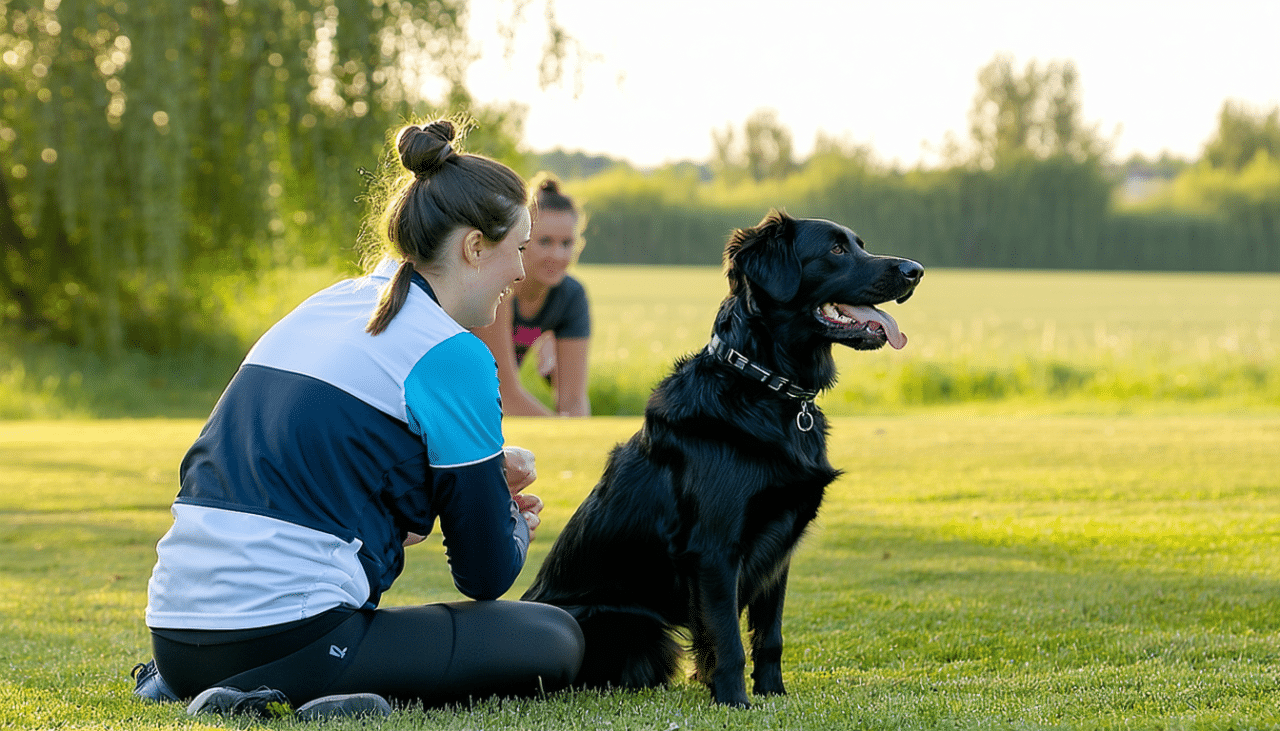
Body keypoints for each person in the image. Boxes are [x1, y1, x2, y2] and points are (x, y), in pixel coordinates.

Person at [131, 120, 584, 720]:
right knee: (555, 638)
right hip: (292, 639)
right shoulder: (452, 353)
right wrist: (512, 521)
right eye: (519, 249)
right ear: (475, 247)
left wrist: (460, 487)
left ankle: (199, 682)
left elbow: (303, 474)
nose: (522, 273)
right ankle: (295, 692)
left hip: (173, 637)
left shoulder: (328, 305)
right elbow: (485, 573)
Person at [473, 174, 591, 416]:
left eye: (566, 244)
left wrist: (576, 430)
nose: (557, 255)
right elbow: (505, 397)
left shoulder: (571, 296)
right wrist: (561, 432)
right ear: (520, 241)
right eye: (545, 242)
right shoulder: (498, 288)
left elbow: (574, 401)